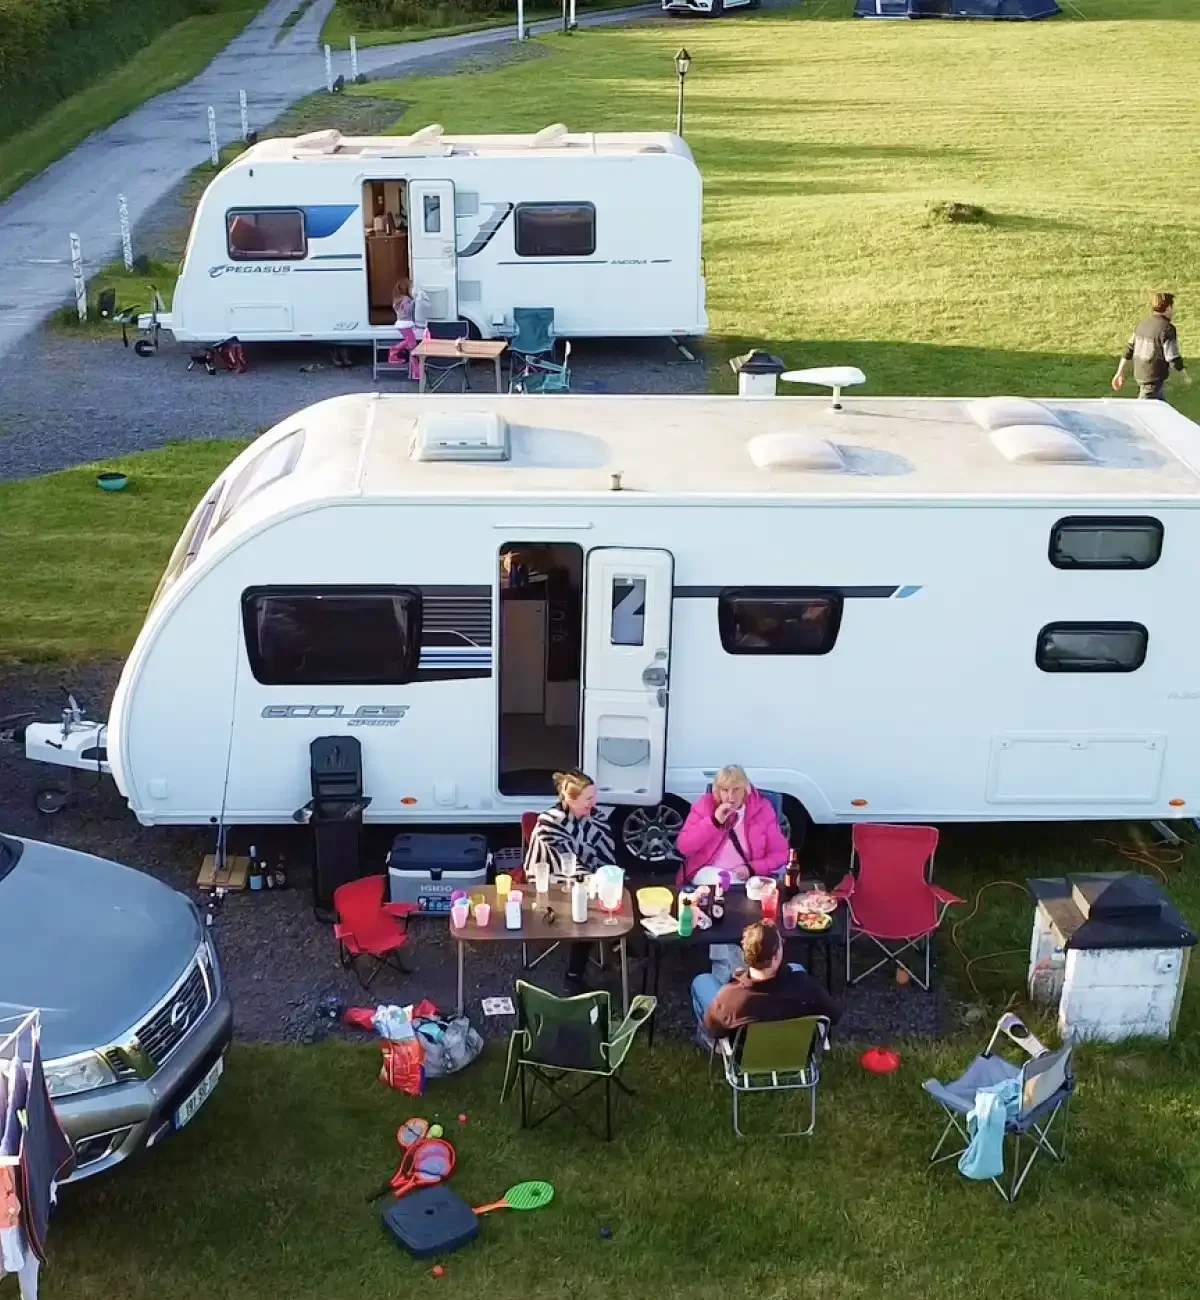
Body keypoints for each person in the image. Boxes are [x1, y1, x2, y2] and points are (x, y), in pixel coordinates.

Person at [525, 769, 617, 991]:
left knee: (613, 888)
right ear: (569, 798)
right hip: (550, 878)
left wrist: (608, 875)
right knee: (583, 906)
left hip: (587, 875)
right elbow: (564, 862)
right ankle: (573, 976)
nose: (593, 803)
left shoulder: (596, 817)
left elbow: (606, 852)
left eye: (594, 797)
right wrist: (591, 881)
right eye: (588, 798)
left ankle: (617, 944)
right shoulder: (549, 823)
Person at [692, 922, 842, 1048]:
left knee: (701, 982)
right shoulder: (806, 988)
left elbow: (714, 1028)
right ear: (776, 956)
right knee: (796, 967)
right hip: (793, 1049)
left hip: (745, 1055)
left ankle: (708, 1043)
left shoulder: (729, 999)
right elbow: (834, 1015)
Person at [675, 764, 789, 889]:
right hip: (709, 873)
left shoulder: (762, 809)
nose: (730, 796)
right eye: (725, 790)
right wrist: (714, 822)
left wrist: (752, 868)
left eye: (736, 789)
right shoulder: (705, 806)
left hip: (746, 878)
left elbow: (780, 853)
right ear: (718, 792)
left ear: (746, 790)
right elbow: (684, 847)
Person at [1112, 291, 1192, 401]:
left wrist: (1119, 372)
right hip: (1153, 380)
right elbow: (1173, 357)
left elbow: (1128, 350)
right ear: (1168, 307)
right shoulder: (1167, 329)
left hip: (1142, 376)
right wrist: (1184, 376)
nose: (1173, 311)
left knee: (1162, 410)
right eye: (1172, 307)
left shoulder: (1142, 325)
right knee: (1145, 411)